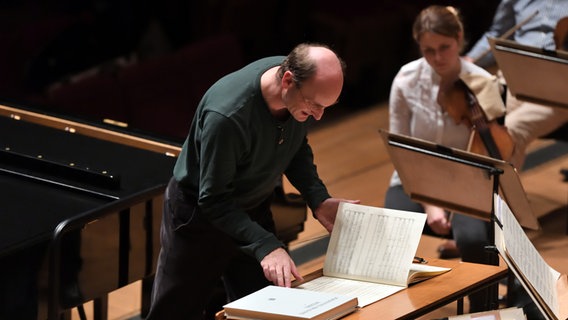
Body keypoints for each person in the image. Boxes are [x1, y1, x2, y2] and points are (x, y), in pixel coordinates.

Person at [145, 43, 360, 320]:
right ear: (287, 80)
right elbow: (214, 200)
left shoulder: (299, 87)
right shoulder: (227, 116)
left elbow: (294, 146)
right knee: (174, 314)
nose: (319, 115)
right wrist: (265, 244)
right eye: (315, 105)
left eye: (326, 107)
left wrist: (318, 199)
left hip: (251, 210)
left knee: (266, 311)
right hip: (199, 218)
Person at [384, 5, 506, 313]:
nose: (438, 58)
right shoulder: (405, 80)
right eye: (429, 51)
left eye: (445, 48)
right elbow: (402, 151)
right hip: (415, 178)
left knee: (473, 237)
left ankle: (482, 310)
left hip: (467, 181)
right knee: (392, 231)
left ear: (460, 39)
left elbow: (494, 154)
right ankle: (400, 310)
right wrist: (430, 203)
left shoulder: (481, 81)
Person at [465, 0, 568, 169]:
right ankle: (472, 190)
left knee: (510, 130)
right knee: (477, 121)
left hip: (557, 89)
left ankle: (502, 194)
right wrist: (469, 61)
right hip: (514, 78)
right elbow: (498, 33)